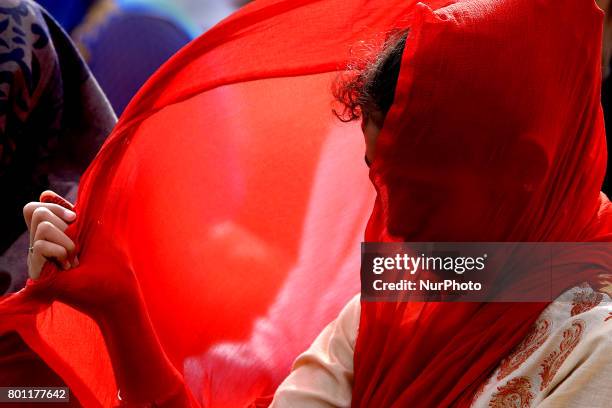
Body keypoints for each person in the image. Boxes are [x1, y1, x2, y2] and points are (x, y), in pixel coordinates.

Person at [7, 0, 612, 406]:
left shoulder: (595, 343)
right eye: (380, 182)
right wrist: (119, 309)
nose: (393, 220)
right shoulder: (403, 296)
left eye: (424, 192)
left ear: (524, 173)